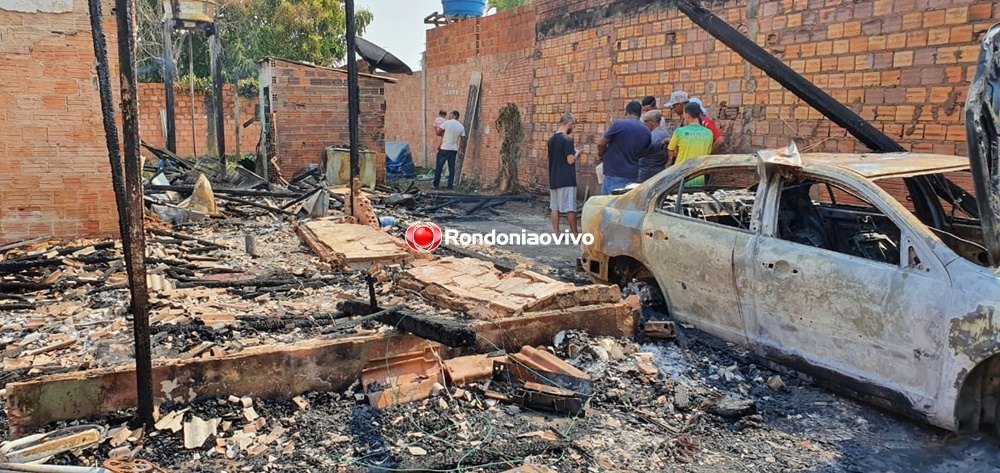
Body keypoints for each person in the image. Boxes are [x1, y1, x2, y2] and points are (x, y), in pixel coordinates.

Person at [596, 101, 650, 194]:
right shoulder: (646, 131)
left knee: (609, 204)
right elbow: (644, 152)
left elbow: (601, 144)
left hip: (614, 172)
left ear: (626, 112)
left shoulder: (618, 125)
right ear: (640, 114)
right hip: (633, 174)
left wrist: (601, 155)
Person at [667, 102, 715, 186]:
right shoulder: (709, 133)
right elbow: (707, 153)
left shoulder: (679, 132)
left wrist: (679, 152)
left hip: (680, 178)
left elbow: (670, 153)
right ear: (699, 114)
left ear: (686, 115)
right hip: (699, 178)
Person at [547, 113, 579, 234]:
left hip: (554, 178)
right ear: (570, 124)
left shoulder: (551, 140)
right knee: (570, 208)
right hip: (566, 179)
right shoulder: (567, 139)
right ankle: (575, 234)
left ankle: (556, 233)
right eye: (573, 125)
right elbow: (570, 160)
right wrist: (577, 154)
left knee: (554, 207)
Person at [434, 111, 465, 189]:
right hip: (454, 149)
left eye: (450, 114)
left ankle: (436, 184)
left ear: (454, 115)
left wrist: (444, 133)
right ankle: (449, 186)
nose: (449, 116)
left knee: (439, 167)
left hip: (444, 148)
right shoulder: (461, 126)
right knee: (451, 168)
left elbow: (438, 133)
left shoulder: (446, 123)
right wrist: (462, 151)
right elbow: (463, 140)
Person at [638, 110, 670, 182]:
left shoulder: (653, 136)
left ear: (653, 122)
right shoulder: (664, 132)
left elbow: (640, 153)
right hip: (657, 171)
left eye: (646, 121)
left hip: (648, 174)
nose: (643, 123)